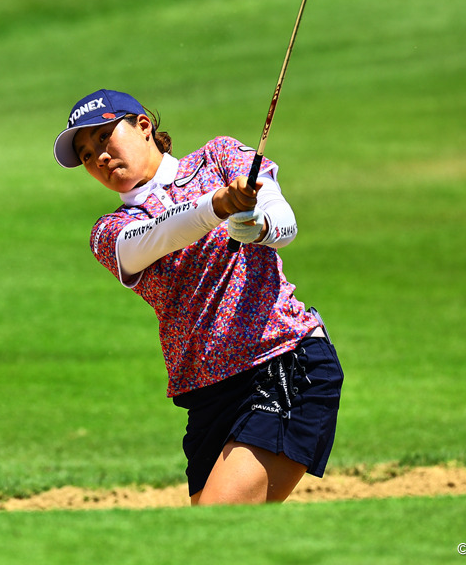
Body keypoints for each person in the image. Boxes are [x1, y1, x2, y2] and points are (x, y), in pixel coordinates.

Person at [52, 89, 343, 505]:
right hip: (207, 395)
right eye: (84, 154)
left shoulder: (218, 157)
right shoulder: (111, 231)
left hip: (281, 362)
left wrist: (258, 225)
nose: (97, 156)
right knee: (217, 544)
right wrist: (218, 205)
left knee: (215, 528)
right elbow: (155, 237)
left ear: (143, 126)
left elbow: (284, 221)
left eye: (103, 137)